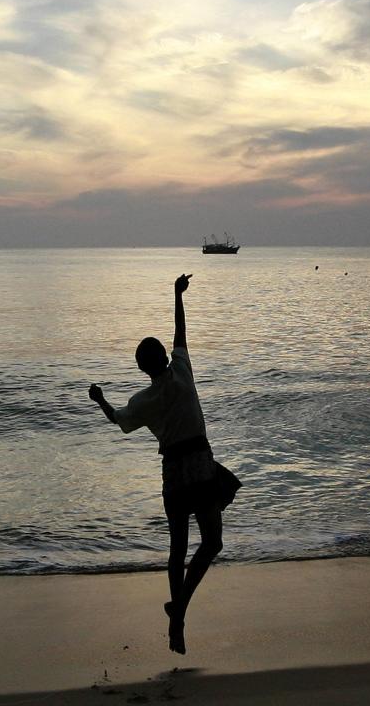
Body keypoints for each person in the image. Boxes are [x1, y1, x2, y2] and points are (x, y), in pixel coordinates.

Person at [88, 273, 240, 655]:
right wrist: (177, 294)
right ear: (165, 358)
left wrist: (100, 400)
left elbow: (118, 420)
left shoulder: (143, 401)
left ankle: (179, 618)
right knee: (213, 542)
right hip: (201, 468)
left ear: (143, 368)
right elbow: (181, 332)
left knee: (177, 550)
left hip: (174, 473)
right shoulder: (183, 371)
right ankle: (180, 609)